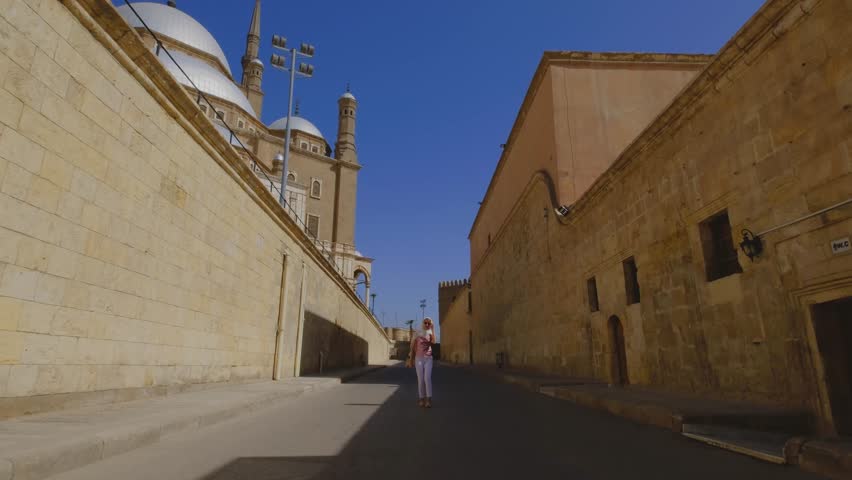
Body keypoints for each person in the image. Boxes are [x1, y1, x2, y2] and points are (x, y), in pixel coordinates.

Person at [408, 317, 435, 408]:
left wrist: (433, 329)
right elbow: (412, 348)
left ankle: (429, 399)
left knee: (427, 378)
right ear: (422, 323)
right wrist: (411, 360)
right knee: (420, 379)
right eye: (425, 323)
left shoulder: (430, 332)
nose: (427, 324)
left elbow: (434, 342)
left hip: (429, 358)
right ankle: (421, 398)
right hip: (418, 359)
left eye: (428, 323)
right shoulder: (417, 333)